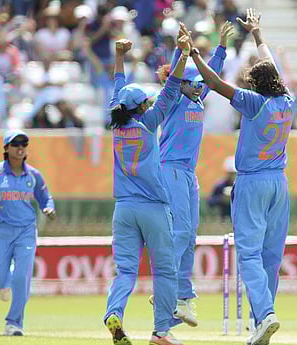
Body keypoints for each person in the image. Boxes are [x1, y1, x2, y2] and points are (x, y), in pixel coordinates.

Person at [181, 8, 293, 345]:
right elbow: (271, 64)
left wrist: (194, 56)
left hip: (252, 182)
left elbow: (214, 84)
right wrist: (257, 35)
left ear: (256, 85)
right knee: (271, 257)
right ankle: (262, 321)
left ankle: (266, 314)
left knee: (249, 254)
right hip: (279, 184)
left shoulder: (253, 102)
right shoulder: (286, 100)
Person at [103, 36, 191, 345]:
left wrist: (118, 56)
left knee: (125, 271)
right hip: (153, 207)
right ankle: (161, 333)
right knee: (165, 271)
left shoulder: (117, 124)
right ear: (142, 106)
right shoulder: (149, 122)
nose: (150, 104)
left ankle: (114, 312)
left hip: (124, 208)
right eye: (146, 102)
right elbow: (171, 89)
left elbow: (118, 86)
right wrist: (183, 54)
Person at [152, 21, 234, 328]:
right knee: (182, 231)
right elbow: (177, 73)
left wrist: (222, 45)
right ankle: (168, 290)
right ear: (179, 82)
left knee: (190, 235)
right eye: (191, 82)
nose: (198, 85)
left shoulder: (197, 95)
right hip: (170, 168)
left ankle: (183, 297)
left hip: (187, 173)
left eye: (199, 83)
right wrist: (180, 50)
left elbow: (211, 70)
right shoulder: (172, 99)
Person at [0, 129, 56, 336]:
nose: (20, 148)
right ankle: (3, 284)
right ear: (6, 149)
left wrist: (48, 208)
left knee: (21, 276)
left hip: (26, 230)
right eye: (15, 144)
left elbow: (45, 197)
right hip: (0, 230)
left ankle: (14, 322)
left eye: (23, 144)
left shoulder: (34, 175)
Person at [208, 155, 236, 221]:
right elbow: (210, 202)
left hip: (238, 220)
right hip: (222, 220)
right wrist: (221, 199)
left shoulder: (240, 186)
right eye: (230, 173)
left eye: (234, 173)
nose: (232, 175)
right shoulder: (220, 185)